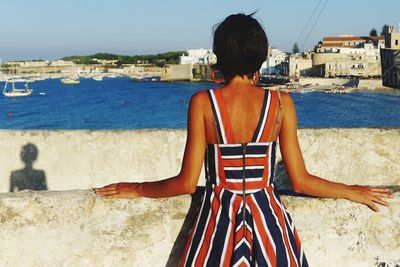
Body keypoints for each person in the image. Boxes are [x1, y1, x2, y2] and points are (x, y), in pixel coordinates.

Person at [95, 13, 392, 266]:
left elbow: (185, 183)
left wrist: (137, 188)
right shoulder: (281, 104)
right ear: (260, 56)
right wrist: (352, 191)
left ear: (220, 55)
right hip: (271, 229)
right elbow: (300, 180)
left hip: (217, 230)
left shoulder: (203, 103)